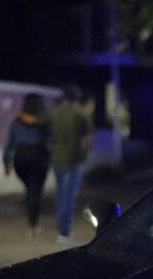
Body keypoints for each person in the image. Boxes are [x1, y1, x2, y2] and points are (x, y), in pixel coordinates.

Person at [47, 85, 93, 244]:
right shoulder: (81, 114)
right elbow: (88, 138)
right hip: (73, 159)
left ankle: (61, 229)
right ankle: (64, 232)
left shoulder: (54, 113)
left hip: (57, 158)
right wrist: (85, 154)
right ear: (77, 98)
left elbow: (45, 130)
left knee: (61, 194)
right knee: (69, 196)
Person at [3, 93, 50, 237]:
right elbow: (51, 138)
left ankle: (32, 222)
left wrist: (6, 163)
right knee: (35, 190)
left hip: (21, 156)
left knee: (30, 189)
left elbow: (9, 144)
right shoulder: (44, 121)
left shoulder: (16, 122)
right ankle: (33, 224)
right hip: (39, 155)